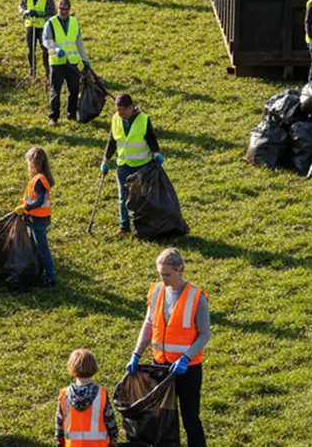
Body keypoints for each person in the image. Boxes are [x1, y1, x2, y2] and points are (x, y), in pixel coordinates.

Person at [126, 248, 210, 446]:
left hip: (187, 369)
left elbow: (205, 333)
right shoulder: (156, 292)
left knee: (190, 418)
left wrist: (187, 357)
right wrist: (136, 353)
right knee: (162, 418)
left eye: (167, 274)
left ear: (180, 270)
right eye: (161, 274)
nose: (163, 279)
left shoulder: (196, 297)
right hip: (161, 366)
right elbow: (149, 324)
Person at [100, 93, 162, 235]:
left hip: (141, 165)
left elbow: (151, 139)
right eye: (117, 110)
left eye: (122, 110)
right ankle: (124, 226)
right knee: (123, 196)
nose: (119, 113)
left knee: (141, 197)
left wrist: (156, 154)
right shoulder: (116, 119)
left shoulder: (143, 119)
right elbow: (112, 141)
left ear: (130, 108)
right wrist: (105, 160)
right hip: (123, 164)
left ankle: (142, 226)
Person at [56, 349, 120, 447]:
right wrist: (114, 439)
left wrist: (59, 442)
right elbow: (110, 420)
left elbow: (59, 424)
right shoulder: (100, 394)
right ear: (93, 367)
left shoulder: (64, 395)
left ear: (71, 368)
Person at [42, 0, 91, 126]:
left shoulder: (74, 22)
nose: (63, 12)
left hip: (72, 62)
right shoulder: (51, 23)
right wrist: (55, 49)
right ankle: (53, 117)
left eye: (66, 9)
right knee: (55, 91)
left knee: (74, 90)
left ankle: (72, 114)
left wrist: (85, 59)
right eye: (61, 9)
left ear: (69, 9)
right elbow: (46, 40)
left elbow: (79, 42)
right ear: (57, 9)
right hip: (57, 62)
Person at [14, 146, 56, 288]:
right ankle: (39, 273)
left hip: (38, 220)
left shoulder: (39, 180)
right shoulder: (37, 179)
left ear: (34, 163)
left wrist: (26, 207)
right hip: (32, 219)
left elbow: (38, 200)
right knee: (35, 248)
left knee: (42, 249)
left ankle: (50, 278)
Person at [19, 0, 56, 80]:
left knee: (45, 49)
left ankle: (48, 72)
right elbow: (21, 5)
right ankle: (32, 71)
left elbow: (51, 12)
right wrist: (24, 12)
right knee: (31, 49)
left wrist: (40, 14)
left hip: (43, 27)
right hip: (30, 25)